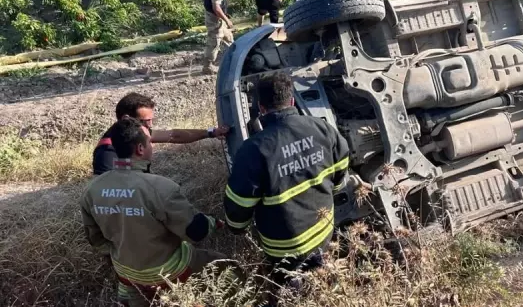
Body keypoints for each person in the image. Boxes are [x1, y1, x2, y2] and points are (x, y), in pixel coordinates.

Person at [224, 73, 351, 297]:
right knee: (322, 275)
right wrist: (333, 190)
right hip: (323, 229)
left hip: (285, 246)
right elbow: (341, 166)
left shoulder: (253, 150)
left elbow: (238, 206)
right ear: (291, 100)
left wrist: (236, 228)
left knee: (292, 290)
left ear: (261, 108)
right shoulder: (321, 127)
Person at [81, 117, 225, 306]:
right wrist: (214, 222)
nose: (152, 146)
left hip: (125, 271)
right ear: (141, 149)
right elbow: (196, 232)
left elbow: (95, 240)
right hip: (168, 270)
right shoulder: (161, 187)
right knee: (225, 266)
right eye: (150, 142)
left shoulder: (92, 189)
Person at [93, 92, 229, 176]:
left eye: (152, 120)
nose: (150, 125)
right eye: (146, 121)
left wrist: (211, 132)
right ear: (126, 119)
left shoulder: (135, 134)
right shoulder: (106, 153)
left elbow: (173, 135)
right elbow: (107, 192)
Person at [200, 0, 235, 74]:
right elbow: (216, 8)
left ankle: (234, 56)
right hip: (214, 18)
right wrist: (227, 20)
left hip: (215, 16)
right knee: (214, 41)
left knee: (228, 37)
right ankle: (207, 66)